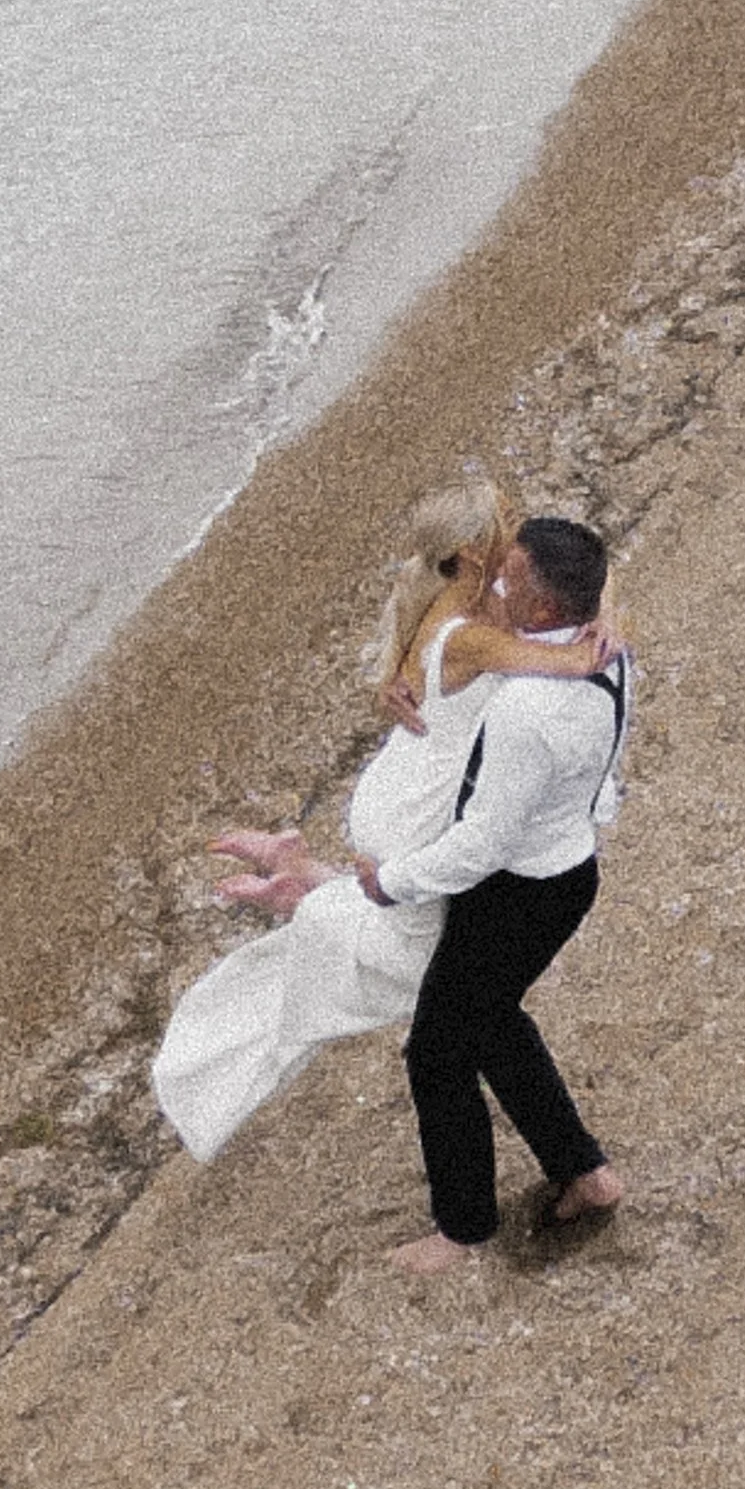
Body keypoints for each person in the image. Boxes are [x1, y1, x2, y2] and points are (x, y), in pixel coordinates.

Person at [148, 484, 615, 1162]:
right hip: (420, 812)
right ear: (471, 555)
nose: (516, 538)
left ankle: (306, 875)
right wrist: (602, 642)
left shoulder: (437, 599)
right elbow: (571, 658)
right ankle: (310, 892)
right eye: (504, 528)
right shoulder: (478, 632)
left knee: (440, 966)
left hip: (403, 783)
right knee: (424, 972)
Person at [355, 513, 630, 1276]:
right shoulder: (602, 654)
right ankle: (585, 1171)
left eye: (507, 578)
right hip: (569, 870)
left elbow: (483, 843)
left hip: (518, 893)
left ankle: (462, 1227)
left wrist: (391, 884)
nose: (491, 586)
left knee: (437, 1051)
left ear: (543, 609)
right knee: (492, 1022)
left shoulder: (527, 711)